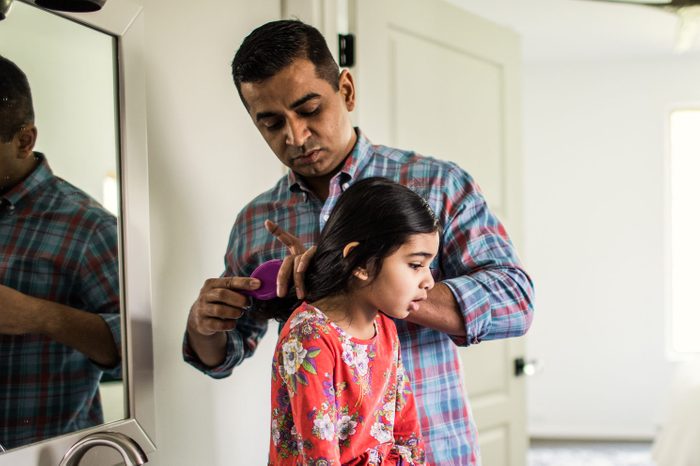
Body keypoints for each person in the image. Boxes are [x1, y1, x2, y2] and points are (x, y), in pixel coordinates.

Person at [183, 19, 534, 466]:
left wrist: (360, 282)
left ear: (346, 90)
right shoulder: (256, 223)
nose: (295, 137)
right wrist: (204, 325)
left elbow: (516, 302)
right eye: (271, 123)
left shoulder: (438, 184)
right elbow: (226, 355)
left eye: (309, 109)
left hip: (435, 450)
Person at [266, 177, 433, 465]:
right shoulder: (309, 337)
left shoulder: (385, 329)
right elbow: (320, 458)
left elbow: (407, 433)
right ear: (362, 264)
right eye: (416, 265)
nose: (429, 281)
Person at [0, 55, 121, 449]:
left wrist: (37, 316)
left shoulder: (90, 227)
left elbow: (134, 348)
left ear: (25, 140)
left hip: (46, 454)